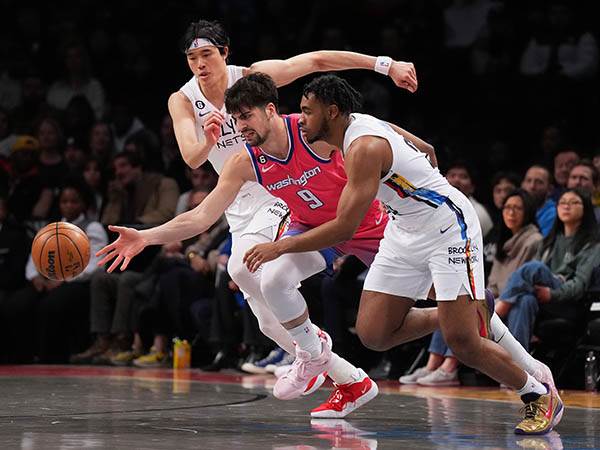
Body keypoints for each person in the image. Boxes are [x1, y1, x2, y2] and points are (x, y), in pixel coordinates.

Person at [241, 74, 563, 435]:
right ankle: (462, 308)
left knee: (463, 341)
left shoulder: (362, 148)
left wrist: (279, 245)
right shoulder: (354, 127)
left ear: (332, 112)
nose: (300, 119)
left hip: (446, 226)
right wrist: (421, 148)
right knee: (373, 332)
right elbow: (414, 141)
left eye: (307, 112)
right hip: (402, 229)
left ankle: (537, 393)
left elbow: (345, 227)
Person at [96, 72, 402, 417]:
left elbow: (370, 129)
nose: (240, 126)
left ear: (271, 110)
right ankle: (320, 359)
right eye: (236, 119)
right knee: (270, 285)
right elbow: (200, 217)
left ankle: (331, 357)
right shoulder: (245, 161)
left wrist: (386, 72)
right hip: (314, 230)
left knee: (442, 301)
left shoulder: (310, 131)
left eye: (247, 116)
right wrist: (146, 236)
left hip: (364, 224)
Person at [167, 20, 417, 400]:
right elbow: (191, 157)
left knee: (245, 269)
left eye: (207, 54)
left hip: (278, 186)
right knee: (267, 317)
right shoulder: (183, 100)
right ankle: (344, 374)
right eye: (192, 57)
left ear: (224, 53)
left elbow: (316, 61)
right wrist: (210, 139)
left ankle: (313, 355)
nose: (200, 63)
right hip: (236, 199)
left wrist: (385, 65)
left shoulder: (253, 78)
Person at [495, 188, 600, 350]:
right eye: (563, 202)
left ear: (586, 208)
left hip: (568, 302)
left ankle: (500, 307)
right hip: (541, 299)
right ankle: (518, 363)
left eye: (574, 203)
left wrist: (552, 293)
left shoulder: (592, 245)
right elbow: (530, 281)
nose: (567, 206)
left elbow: (579, 285)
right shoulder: (549, 241)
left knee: (534, 267)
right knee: (525, 301)